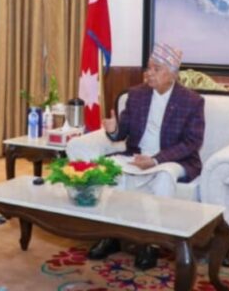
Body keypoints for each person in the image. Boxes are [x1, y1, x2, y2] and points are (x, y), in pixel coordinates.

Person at [86, 42, 205, 270]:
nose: (148, 73)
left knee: (163, 177)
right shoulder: (136, 94)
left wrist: (156, 159)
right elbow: (123, 132)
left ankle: (151, 243)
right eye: (148, 67)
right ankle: (111, 235)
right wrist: (113, 129)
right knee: (109, 169)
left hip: (173, 160)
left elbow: (192, 142)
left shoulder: (191, 101)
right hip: (137, 156)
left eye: (156, 69)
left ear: (172, 74)